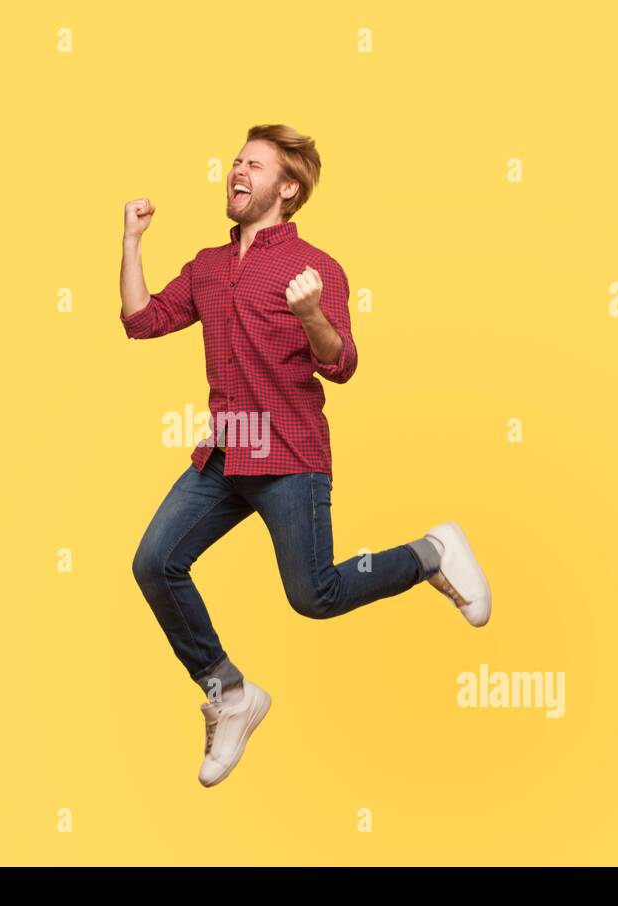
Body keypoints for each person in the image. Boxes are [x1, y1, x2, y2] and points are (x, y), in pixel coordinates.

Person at [119, 124, 491, 788]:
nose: (237, 171)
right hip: (229, 453)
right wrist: (131, 241)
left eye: (254, 165)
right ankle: (229, 692)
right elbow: (141, 319)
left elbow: (342, 363)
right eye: (236, 161)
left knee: (314, 597)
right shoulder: (207, 266)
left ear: (286, 188)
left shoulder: (313, 269)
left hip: (290, 454)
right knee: (154, 562)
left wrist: (315, 313)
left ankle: (432, 553)